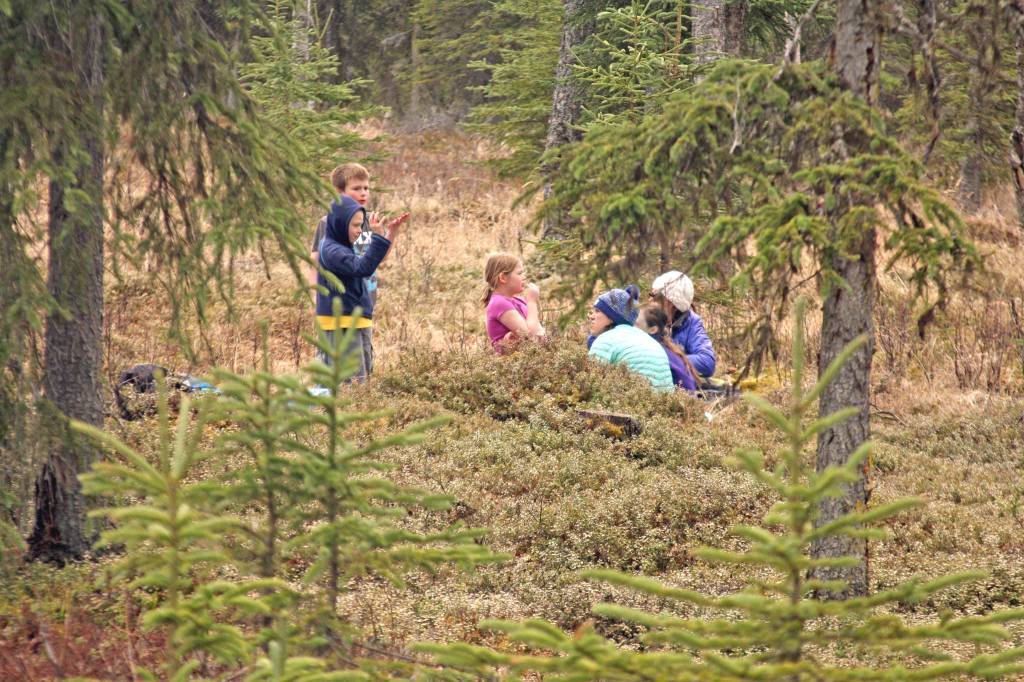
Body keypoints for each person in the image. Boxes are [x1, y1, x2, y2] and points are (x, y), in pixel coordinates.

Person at [316, 194, 408, 379]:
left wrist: (389, 234)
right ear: (340, 223)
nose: (360, 231)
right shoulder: (331, 249)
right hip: (341, 324)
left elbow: (371, 258)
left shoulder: (344, 245)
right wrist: (377, 237)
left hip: (356, 320)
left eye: (361, 225)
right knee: (350, 384)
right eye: (356, 225)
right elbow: (362, 267)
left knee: (363, 380)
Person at [587, 286, 673, 391]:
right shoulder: (650, 341)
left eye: (597, 311)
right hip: (666, 406)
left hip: (630, 404)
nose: (591, 316)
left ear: (612, 316)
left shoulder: (606, 339)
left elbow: (589, 385)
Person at [650, 271, 716, 378]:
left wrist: (665, 358)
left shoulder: (691, 322)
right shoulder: (644, 318)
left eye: (655, 296)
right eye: (651, 294)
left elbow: (707, 362)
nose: (650, 300)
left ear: (671, 303)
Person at [482, 253, 543, 352]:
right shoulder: (499, 303)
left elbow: (539, 333)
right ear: (503, 278)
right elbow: (532, 338)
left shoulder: (519, 300)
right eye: (519, 273)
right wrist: (532, 302)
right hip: (513, 364)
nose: (524, 277)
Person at [636, 305, 699, 392]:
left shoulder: (656, 352)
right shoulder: (663, 346)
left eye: (637, 324)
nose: (632, 327)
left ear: (653, 330)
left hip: (682, 401)